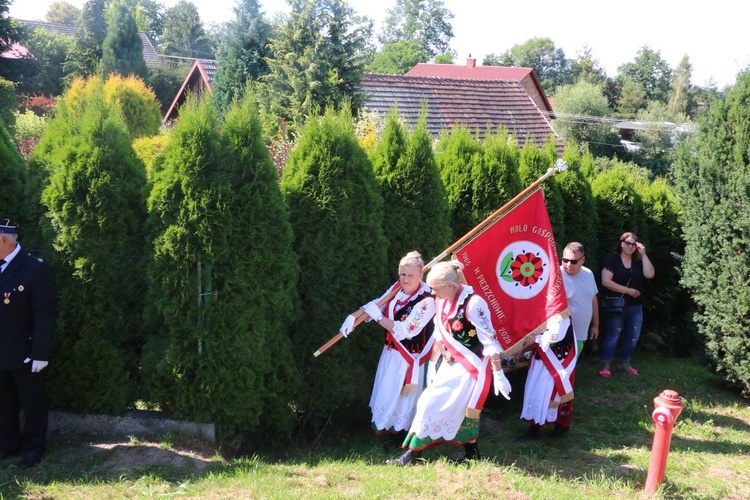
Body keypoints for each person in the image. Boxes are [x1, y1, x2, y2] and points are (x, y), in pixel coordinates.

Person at [386, 261, 511, 466]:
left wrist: (498, 374)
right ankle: (471, 454)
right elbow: (439, 334)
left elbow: (489, 340)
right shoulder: (442, 300)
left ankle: (413, 454)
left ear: (450, 286)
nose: (433, 294)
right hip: (449, 363)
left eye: (436, 289)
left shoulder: (474, 303)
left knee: (434, 404)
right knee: (448, 406)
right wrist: (433, 366)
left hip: (470, 367)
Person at [339, 251, 436, 437]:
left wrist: (377, 317)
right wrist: (353, 317)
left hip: (410, 357)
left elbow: (406, 330)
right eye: (402, 274)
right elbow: (377, 304)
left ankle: (401, 437)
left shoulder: (427, 300)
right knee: (386, 392)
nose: (405, 279)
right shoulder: (396, 289)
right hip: (391, 353)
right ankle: (381, 435)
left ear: (420, 275)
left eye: (410, 275)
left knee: (402, 399)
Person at [517, 242, 598, 441]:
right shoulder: (554, 275)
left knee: (564, 382)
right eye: (564, 260)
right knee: (539, 384)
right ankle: (535, 425)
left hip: (574, 338)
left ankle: (561, 424)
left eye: (573, 261)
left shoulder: (588, 274)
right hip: (548, 340)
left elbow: (593, 300)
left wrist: (596, 325)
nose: (568, 265)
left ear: (582, 260)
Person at [0, 218, 56, 469]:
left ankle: (34, 447)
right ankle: (8, 443)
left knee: (32, 401)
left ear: (3, 239)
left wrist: (40, 352)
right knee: (4, 401)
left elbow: (44, 313)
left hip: (25, 352)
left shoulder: (34, 268)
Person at [599, 232, 655, 377]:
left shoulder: (638, 261)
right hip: (616, 304)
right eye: (627, 243)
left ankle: (625, 362)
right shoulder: (613, 258)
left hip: (635, 305)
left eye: (633, 244)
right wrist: (628, 290)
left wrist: (644, 255)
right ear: (621, 243)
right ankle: (606, 364)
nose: (630, 246)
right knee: (613, 335)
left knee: (633, 336)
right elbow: (606, 281)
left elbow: (649, 274)